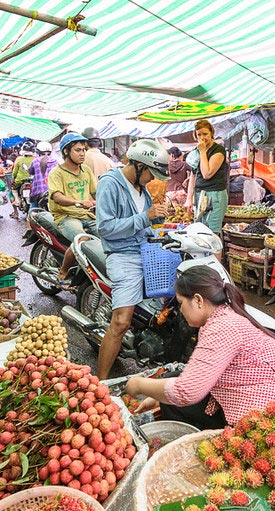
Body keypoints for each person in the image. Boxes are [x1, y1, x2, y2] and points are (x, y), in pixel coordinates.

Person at [125, 265, 275, 428]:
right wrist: (157, 395)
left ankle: (202, 443)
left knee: (175, 401)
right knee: (174, 381)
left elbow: (186, 392)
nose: (180, 310)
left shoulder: (222, 327)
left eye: (181, 303)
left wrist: (139, 385)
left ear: (198, 300)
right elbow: (196, 374)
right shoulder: (225, 315)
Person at [95, 139, 170, 379]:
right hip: (123, 255)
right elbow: (105, 228)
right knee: (120, 323)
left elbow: (143, 223)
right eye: (151, 173)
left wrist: (158, 219)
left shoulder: (141, 187)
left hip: (145, 251)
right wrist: (146, 218)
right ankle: (101, 384)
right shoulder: (110, 184)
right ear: (138, 165)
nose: (153, 179)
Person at [45, 133, 98, 285]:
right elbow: (57, 197)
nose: (82, 153)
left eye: (84, 150)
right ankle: (64, 271)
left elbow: (95, 193)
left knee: (109, 235)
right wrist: (79, 202)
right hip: (66, 216)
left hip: (88, 215)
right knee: (81, 240)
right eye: (77, 150)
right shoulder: (57, 172)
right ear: (66, 151)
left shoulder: (86, 170)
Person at [185, 119, 228, 233]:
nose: (202, 137)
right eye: (199, 134)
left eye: (205, 134)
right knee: (200, 233)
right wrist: (189, 198)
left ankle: (216, 252)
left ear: (211, 133)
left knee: (212, 234)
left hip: (215, 195)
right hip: (199, 194)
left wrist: (203, 152)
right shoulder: (197, 151)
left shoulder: (218, 150)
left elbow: (207, 174)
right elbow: (194, 176)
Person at [10, 142, 37, 219]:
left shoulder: (19, 159)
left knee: (13, 190)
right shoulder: (35, 159)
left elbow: (14, 172)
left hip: (19, 181)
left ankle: (16, 205)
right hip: (32, 181)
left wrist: (13, 179)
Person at [28, 141, 57, 208]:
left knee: (33, 209)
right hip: (52, 191)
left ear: (38, 151)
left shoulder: (35, 161)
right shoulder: (55, 162)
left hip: (38, 191)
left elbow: (30, 171)